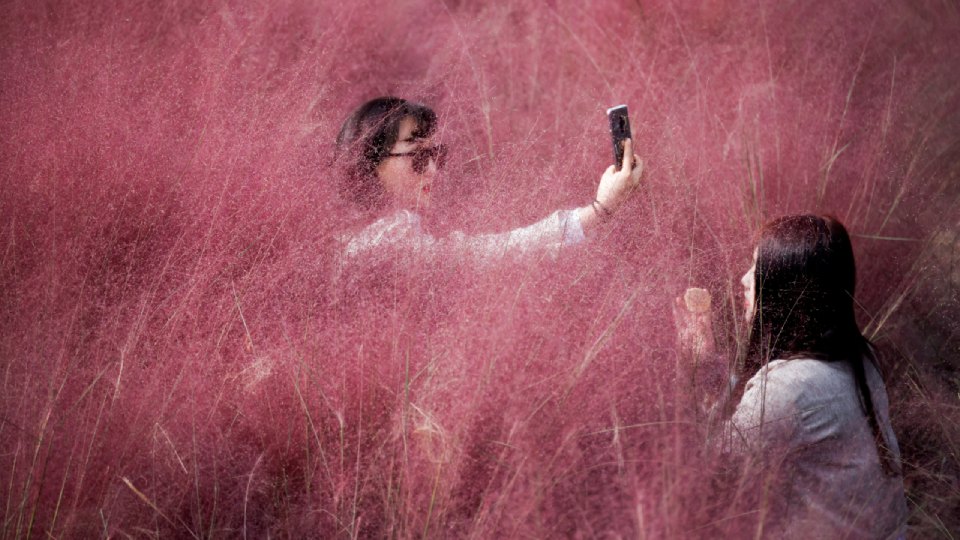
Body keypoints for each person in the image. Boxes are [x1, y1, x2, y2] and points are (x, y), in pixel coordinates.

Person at [676, 214, 908, 539]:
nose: (743, 279)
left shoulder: (791, 389)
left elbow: (706, 470)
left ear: (789, 290)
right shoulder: (858, 356)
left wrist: (696, 370)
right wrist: (713, 364)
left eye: (757, 269)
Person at [332, 97, 643, 267]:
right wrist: (602, 210)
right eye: (416, 157)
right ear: (367, 164)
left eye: (436, 155)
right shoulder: (383, 245)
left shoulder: (376, 238)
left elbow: (485, 251)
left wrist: (599, 212)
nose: (432, 170)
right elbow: (495, 256)